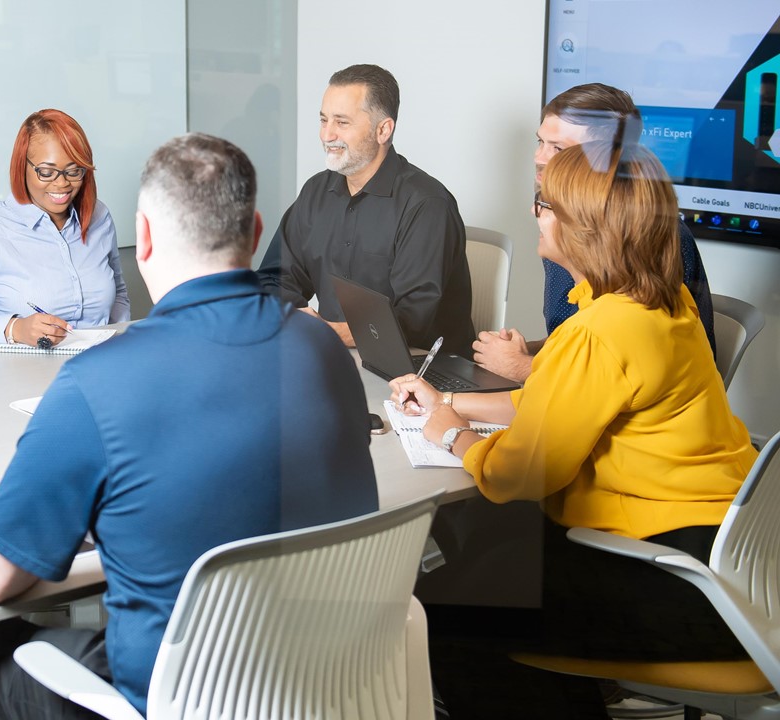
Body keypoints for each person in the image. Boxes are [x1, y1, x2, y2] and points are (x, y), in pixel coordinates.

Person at [0, 133, 379, 719]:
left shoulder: (95, 386)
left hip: (176, 697)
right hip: (327, 678)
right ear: (254, 232)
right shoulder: (321, 346)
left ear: (141, 238)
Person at [389, 141, 756, 719]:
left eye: (546, 202)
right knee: (491, 551)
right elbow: (557, 400)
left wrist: (449, 432)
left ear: (585, 228)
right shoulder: (663, 303)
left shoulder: (600, 331)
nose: (535, 211)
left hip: (685, 588)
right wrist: (448, 399)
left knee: (443, 612)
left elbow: (518, 474)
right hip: (731, 562)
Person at [472, 83, 715, 382]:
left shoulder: (650, 236)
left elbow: (628, 368)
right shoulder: (562, 221)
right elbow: (582, 340)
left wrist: (519, 367)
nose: (539, 157)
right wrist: (525, 353)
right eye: (541, 142)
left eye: (558, 148)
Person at [258, 63, 473, 354]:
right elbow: (274, 277)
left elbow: (413, 320)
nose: (326, 135)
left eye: (342, 123)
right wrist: (293, 317)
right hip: (338, 358)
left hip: (418, 372)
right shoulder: (316, 191)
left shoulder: (427, 204)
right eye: (324, 120)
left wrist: (328, 333)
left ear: (383, 130)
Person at [0, 108, 130, 347]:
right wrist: (15, 328)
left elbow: (119, 295)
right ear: (22, 167)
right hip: (24, 375)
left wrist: (119, 343)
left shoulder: (99, 217)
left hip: (100, 364)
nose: (61, 183)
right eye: (46, 172)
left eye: (74, 171)